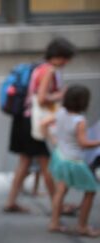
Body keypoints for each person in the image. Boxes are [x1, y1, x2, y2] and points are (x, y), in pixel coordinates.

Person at [4, 37, 76, 213]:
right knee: (46, 164)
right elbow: (43, 98)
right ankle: (56, 206)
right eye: (65, 58)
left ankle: (11, 201)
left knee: (25, 161)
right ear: (59, 56)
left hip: (24, 119)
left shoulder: (38, 67)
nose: (66, 62)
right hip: (35, 123)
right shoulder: (49, 71)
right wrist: (61, 95)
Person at [43, 85, 100, 237]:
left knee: (60, 190)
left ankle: (54, 222)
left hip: (60, 156)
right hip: (74, 161)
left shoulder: (61, 112)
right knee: (91, 190)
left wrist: (53, 139)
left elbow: (44, 124)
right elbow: (83, 144)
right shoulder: (80, 120)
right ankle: (82, 226)